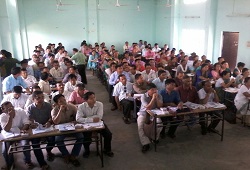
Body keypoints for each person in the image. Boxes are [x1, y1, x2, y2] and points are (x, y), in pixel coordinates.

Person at [76, 92, 114, 157]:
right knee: (86, 138)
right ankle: (87, 150)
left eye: (94, 97)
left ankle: (107, 149)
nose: (94, 100)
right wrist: (92, 119)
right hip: (87, 125)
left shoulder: (99, 104)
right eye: (91, 98)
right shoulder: (81, 107)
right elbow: (78, 119)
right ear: (86, 100)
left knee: (108, 134)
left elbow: (99, 117)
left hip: (98, 123)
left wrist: (85, 118)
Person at [0, 102, 34, 170]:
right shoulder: (2, 116)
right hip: (9, 135)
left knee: (25, 145)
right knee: (5, 150)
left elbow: (26, 122)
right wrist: (10, 117)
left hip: (21, 132)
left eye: (11, 107)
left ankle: (28, 161)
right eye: (7, 108)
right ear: (3, 110)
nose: (10, 109)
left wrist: (23, 129)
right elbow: (6, 129)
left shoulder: (20, 111)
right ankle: (10, 163)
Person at [51, 94, 83, 167]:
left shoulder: (71, 106)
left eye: (64, 100)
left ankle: (74, 155)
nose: (64, 102)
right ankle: (65, 155)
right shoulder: (54, 110)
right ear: (56, 104)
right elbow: (55, 122)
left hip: (72, 127)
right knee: (58, 139)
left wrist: (76, 121)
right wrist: (60, 111)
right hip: (61, 129)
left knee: (80, 137)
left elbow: (79, 116)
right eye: (60, 102)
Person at [27, 91, 55, 169]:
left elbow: (51, 117)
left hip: (47, 126)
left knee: (53, 139)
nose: (41, 99)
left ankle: (48, 151)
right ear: (33, 99)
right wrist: (32, 123)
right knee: (35, 144)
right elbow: (30, 119)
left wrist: (49, 122)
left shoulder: (48, 106)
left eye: (42, 97)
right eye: (38, 98)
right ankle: (42, 163)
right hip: (36, 128)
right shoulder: (30, 108)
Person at [137, 83, 163, 153]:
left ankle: (154, 138)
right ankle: (145, 143)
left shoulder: (159, 95)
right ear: (148, 91)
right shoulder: (143, 96)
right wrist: (153, 98)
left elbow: (160, 106)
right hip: (144, 113)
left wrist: (156, 98)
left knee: (159, 124)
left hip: (155, 113)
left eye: (155, 90)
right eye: (152, 90)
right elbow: (147, 107)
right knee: (140, 126)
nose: (154, 91)